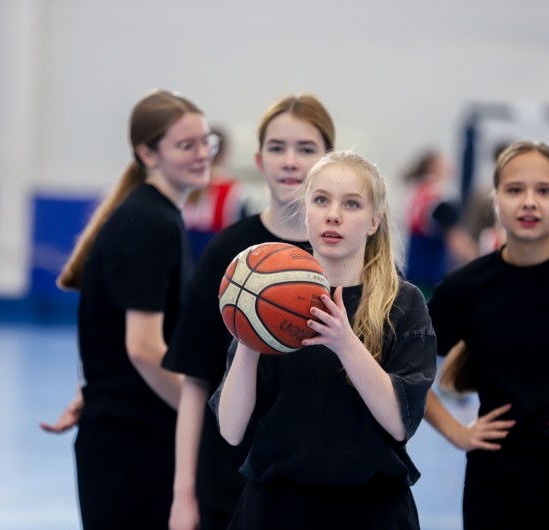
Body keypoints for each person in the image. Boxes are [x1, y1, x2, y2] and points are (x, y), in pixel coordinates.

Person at [212, 150, 437, 530]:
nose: (333, 214)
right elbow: (231, 430)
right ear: (306, 212)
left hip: (371, 509)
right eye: (321, 200)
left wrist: (344, 342)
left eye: (352, 204)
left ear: (374, 221)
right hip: (276, 508)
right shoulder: (265, 296)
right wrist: (250, 337)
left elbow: (400, 425)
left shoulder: (402, 302)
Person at [39, 89, 218, 529]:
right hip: (132, 445)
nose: (202, 154)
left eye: (206, 141)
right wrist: (205, 423)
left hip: (129, 433)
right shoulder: (150, 224)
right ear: (147, 153)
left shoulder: (155, 215)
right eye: (186, 145)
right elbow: (142, 348)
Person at [163, 94, 335, 530]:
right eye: (277, 148)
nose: (290, 160)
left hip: (326, 489)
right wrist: (183, 495)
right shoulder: (228, 250)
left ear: (329, 161)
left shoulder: (352, 254)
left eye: (306, 148)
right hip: (232, 484)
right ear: (259, 160)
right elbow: (196, 381)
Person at [425, 141, 549, 529]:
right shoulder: (466, 287)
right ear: (496, 199)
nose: (529, 202)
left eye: (544, 190)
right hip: (496, 482)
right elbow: (399, 366)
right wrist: (456, 432)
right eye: (514, 190)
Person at [402, 149, 478, 299]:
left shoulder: (414, 192)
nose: (450, 166)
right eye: (444, 163)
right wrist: (478, 260)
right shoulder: (438, 196)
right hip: (432, 275)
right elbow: (454, 236)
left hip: (413, 270)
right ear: (433, 166)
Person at [183, 125, 245, 262]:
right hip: (215, 256)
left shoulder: (183, 181)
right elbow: (235, 234)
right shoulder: (229, 186)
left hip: (185, 257)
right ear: (224, 153)